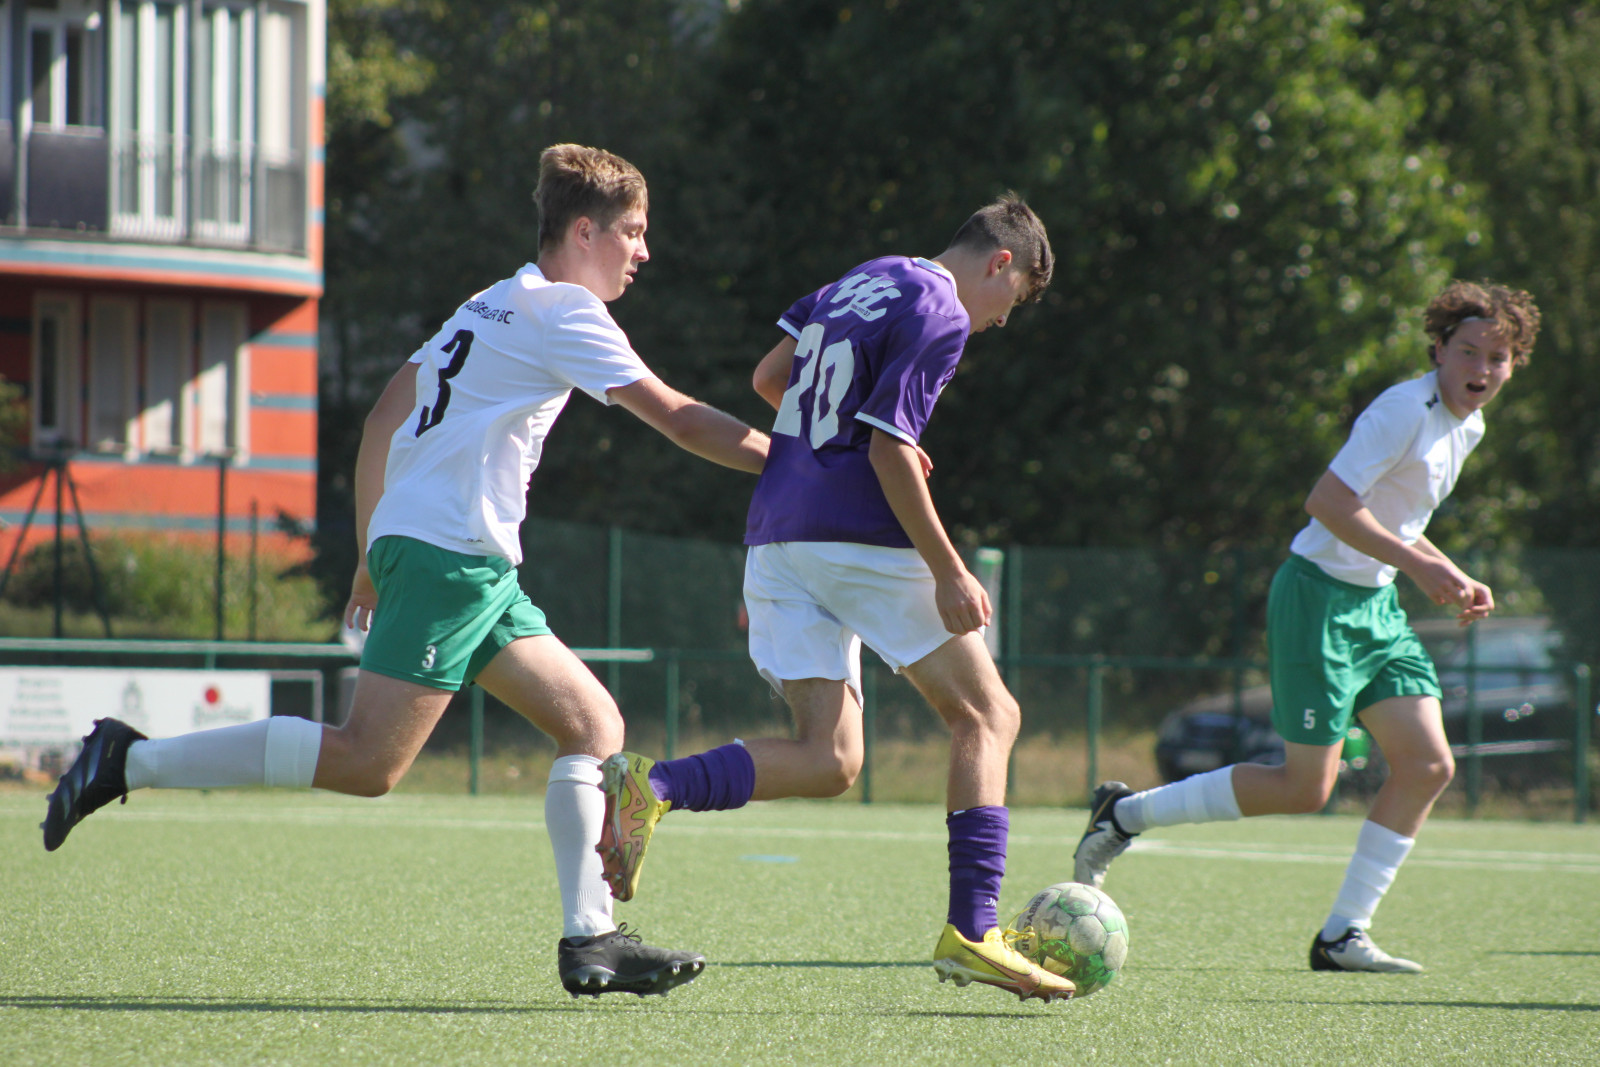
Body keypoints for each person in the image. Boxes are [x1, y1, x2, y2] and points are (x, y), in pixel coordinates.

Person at [41, 144, 769, 999]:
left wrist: (369, 551)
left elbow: (384, 415)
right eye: (634, 232)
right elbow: (681, 419)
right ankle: (127, 762)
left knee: (593, 724)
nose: (643, 251)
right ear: (585, 230)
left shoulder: (489, 303)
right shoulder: (568, 311)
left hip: (450, 554)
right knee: (367, 762)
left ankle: (592, 940)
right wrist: (799, 461)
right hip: (448, 556)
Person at [595, 195, 1076, 1003]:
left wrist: (824, 450)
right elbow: (890, 450)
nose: (999, 322)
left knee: (831, 757)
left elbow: (770, 378)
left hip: (777, 534)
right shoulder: (943, 310)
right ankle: (974, 929)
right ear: (1001, 262)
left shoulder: (868, 277)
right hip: (855, 537)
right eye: (1015, 300)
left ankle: (659, 785)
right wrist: (951, 568)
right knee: (989, 715)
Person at [1073, 280, 1542, 973]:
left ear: (1513, 365)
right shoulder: (1400, 411)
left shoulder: (1468, 425)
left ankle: (1343, 934)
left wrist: (1451, 571)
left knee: (1428, 764)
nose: (1482, 367)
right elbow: (1327, 501)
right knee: (1305, 786)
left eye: (1498, 357)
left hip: (1376, 607)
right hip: (1318, 599)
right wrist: (1419, 566)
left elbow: (1399, 524)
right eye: (1468, 350)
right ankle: (1124, 814)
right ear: (1439, 349)